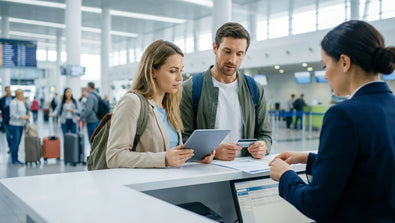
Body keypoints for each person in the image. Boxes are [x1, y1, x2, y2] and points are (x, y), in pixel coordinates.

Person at [269, 20, 395, 222]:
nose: (326, 75)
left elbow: (315, 204)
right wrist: (310, 158)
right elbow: (372, 170)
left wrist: (285, 175)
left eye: (325, 65)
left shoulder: (343, 115)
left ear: (344, 62)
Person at [106, 40, 212, 168]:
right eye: (173, 71)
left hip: (169, 183)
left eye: (181, 71)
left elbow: (171, 155)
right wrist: (163, 159)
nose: (180, 78)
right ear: (153, 71)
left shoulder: (170, 106)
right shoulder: (132, 102)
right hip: (143, 186)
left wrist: (195, 158)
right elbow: (114, 157)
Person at [180, 22, 272, 161]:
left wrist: (263, 146)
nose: (232, 60)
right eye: (227, 51)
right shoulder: (191, 88)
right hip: (205, 172)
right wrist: (213, 152)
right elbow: (181, 138)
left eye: (239, 54)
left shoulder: (254, 89)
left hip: (244, 173)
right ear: (215, 48)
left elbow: (265, 134)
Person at [8, 89, 30, 165]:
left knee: (18, 142)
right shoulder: (13, 103)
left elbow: (24, 112)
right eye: (22, 94)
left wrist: (26, 117)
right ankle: (14, 159)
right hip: (14, 125)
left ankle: (16, 158)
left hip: (20, 125)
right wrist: (23, 117)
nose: (23, 96)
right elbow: (12, 114)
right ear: (18, 94)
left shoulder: (21, 102)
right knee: (15, 142)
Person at [0, 86, 14, 153]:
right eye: (7, 90)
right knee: (8, 136)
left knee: (14, 135)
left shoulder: (14, 98)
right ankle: (11, 148)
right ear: (5, 91)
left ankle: (13, 148)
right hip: (5, 120)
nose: (8, 91)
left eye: (9, 90)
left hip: (14, 120)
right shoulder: (2, 99)